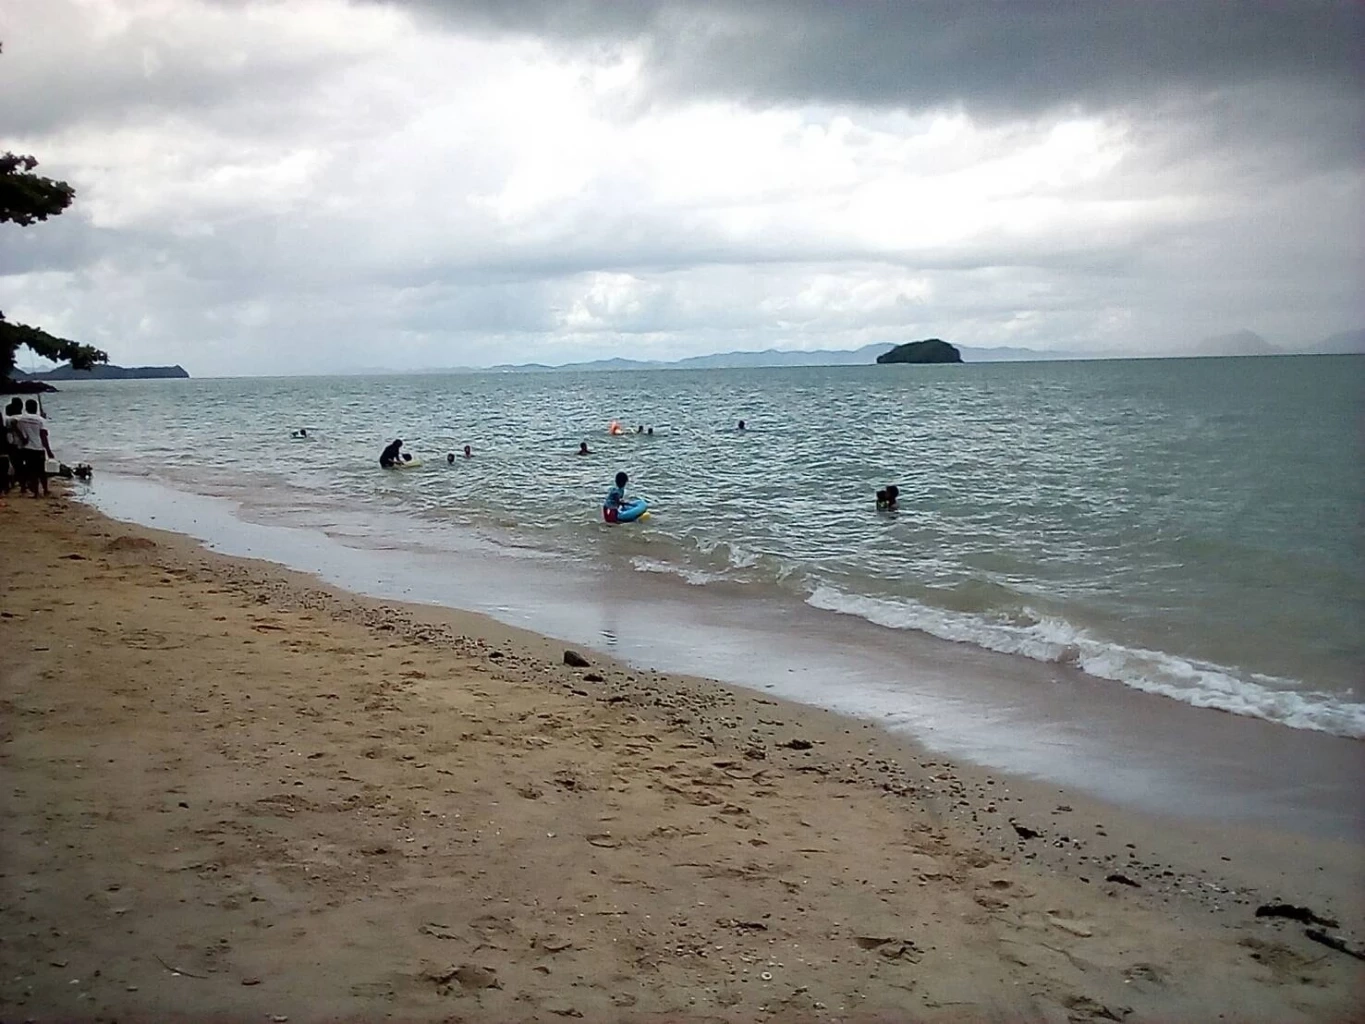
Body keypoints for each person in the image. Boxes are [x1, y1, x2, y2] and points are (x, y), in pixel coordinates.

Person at [10, 399, 54, 497]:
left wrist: (22, 437)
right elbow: (43, 436)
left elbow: (12, 422)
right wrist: (48, 450)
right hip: (38, 448)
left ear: (26, 408)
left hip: (27, 448)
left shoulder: (21, 418)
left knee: (32, 470)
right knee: (41, 471)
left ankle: (36, 492)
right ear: (36, 408)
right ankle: (45, 490)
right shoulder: (40, 420)